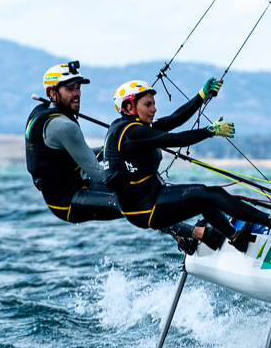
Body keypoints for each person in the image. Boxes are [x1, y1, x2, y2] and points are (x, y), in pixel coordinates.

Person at [104, 78, 271, 248]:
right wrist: (210, 131)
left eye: (154, 104)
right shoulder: (132, 133)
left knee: (203, 194)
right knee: (211, 195)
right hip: (146, 208)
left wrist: (201, 95)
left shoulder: (132, 128)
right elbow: (177, 139)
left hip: (149, 200)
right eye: (148, 104)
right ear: (129, 107)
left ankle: (236, 239)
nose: (154, 109)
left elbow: (173, 119)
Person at [25, 62, 203, 250]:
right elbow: (100, 175)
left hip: (80, 182)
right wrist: (138, 178)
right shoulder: (63, 126)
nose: (77, 93)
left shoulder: (43, 112)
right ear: (52, 93)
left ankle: (185, 238)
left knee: (142, 195)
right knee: (135, 201)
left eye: (78, 87)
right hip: (67, 201)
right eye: (70, 89)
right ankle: (198, 235)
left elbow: (82, 155)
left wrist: (113, 150)